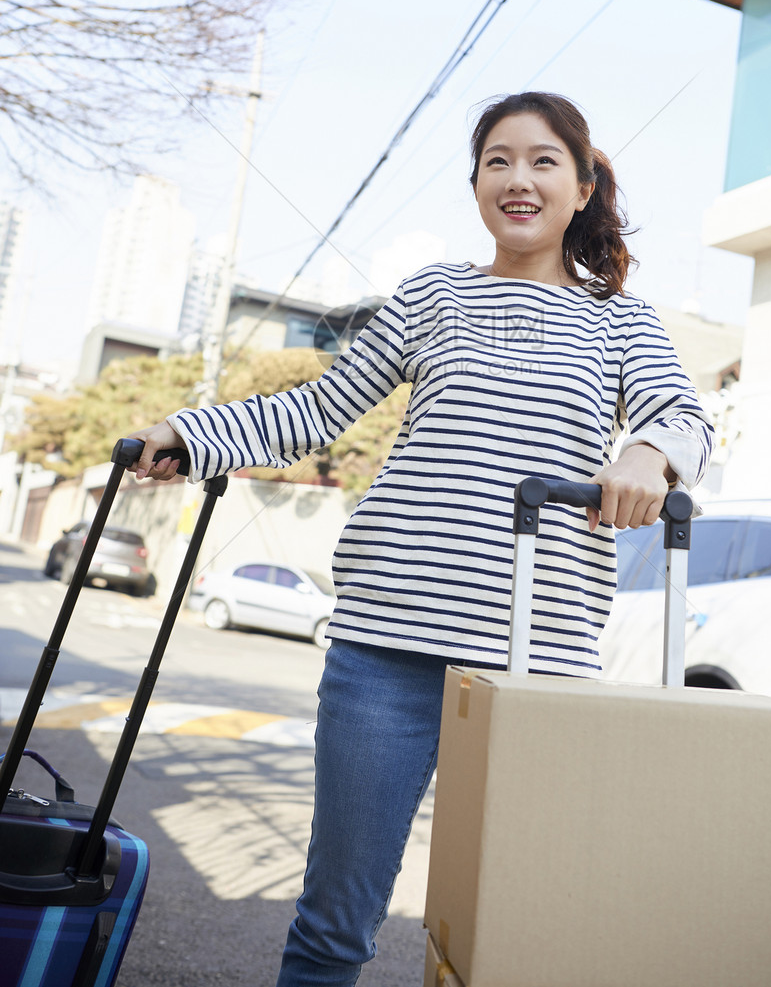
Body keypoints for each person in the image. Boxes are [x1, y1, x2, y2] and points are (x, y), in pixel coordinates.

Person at [132, 91, 713, 987]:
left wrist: (646, 451)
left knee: (520, 936)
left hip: (537, 661)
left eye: (543, 159)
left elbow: (683, 417)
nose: (518, 178)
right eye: (498, 161)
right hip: (385, 651)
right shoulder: (433, 293)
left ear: (585, 182)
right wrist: (192, 434)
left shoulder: (621, 321)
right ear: (477, 183)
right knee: (334, 929)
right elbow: (316, 408)